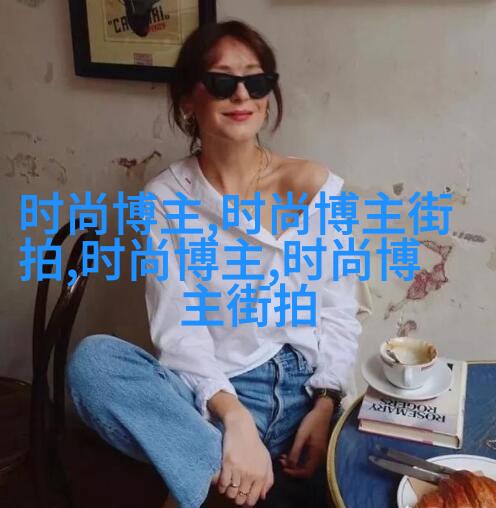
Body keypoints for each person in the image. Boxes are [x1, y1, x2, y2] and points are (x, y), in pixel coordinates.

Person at [66, 20, 365, 508]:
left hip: (303, 395)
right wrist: (234, 418)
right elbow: (178, 329)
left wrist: (326, 403)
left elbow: (338, 308)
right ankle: (230, 465)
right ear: (188, 99)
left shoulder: (315, 184)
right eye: (222, 81)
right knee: (94, 364)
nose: (241, 94)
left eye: (257, 81)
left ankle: (221, 479)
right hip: (212, 396)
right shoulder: (164, 199)